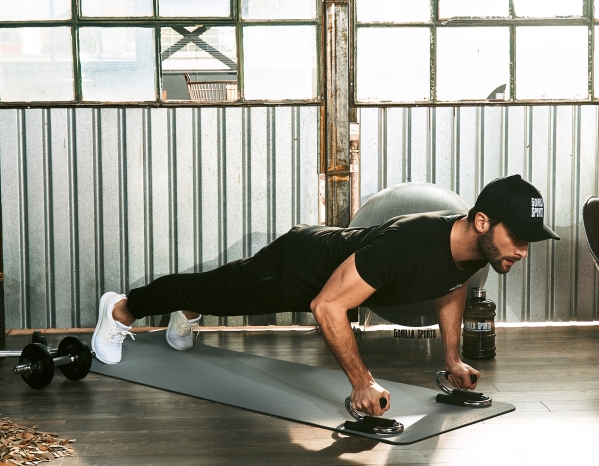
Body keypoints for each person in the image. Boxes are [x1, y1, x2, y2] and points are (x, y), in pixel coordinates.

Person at [92, 174, 558, 415]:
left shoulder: (475, 249)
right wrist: (362, 383)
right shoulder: (409, 243)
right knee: (215, 292)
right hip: (298, 267)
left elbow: (450, 288)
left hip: (329, 271)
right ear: (482, 222)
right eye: (518, 238)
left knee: (214, 292)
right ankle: (121, 309)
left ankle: (191, 307)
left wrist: (452, 359)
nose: (523, 251)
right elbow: (328, 305)